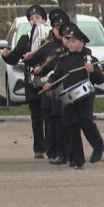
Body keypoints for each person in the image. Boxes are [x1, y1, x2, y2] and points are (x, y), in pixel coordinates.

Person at [42, 23, 104, 169]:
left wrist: (92, 71)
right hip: (68, 98)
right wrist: (49, 83)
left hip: (85, 96)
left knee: (85, 122)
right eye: (69, 41)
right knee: (71, 126)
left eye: (74, 41)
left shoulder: (89, 58)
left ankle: (98, 145)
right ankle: (78, 160)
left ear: (82, 43)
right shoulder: (63, 59)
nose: (70, 44)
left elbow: (101, 78)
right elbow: (56, 75)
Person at [0, 4, 49, 159]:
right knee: (36, 116)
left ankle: (52, 145)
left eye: (37, 18)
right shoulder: (25, 39)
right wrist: (6, 55)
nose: (34, 21)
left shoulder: (49, 39)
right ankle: (39, 148)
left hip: (47, 82)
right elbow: (14, 58)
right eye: (32, 18)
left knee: (48, 114)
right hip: (32, 83)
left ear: (44, 20)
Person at [31, 9, 70, 163]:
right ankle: (52, 150)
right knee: (50, 120)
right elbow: (40, 62)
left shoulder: (71, 44)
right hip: (49, 87)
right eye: (55, 28)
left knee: (65, 121)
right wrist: (36, 66)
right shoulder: (47, 45)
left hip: (66, 89)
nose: (58, 31)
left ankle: (66, 152)